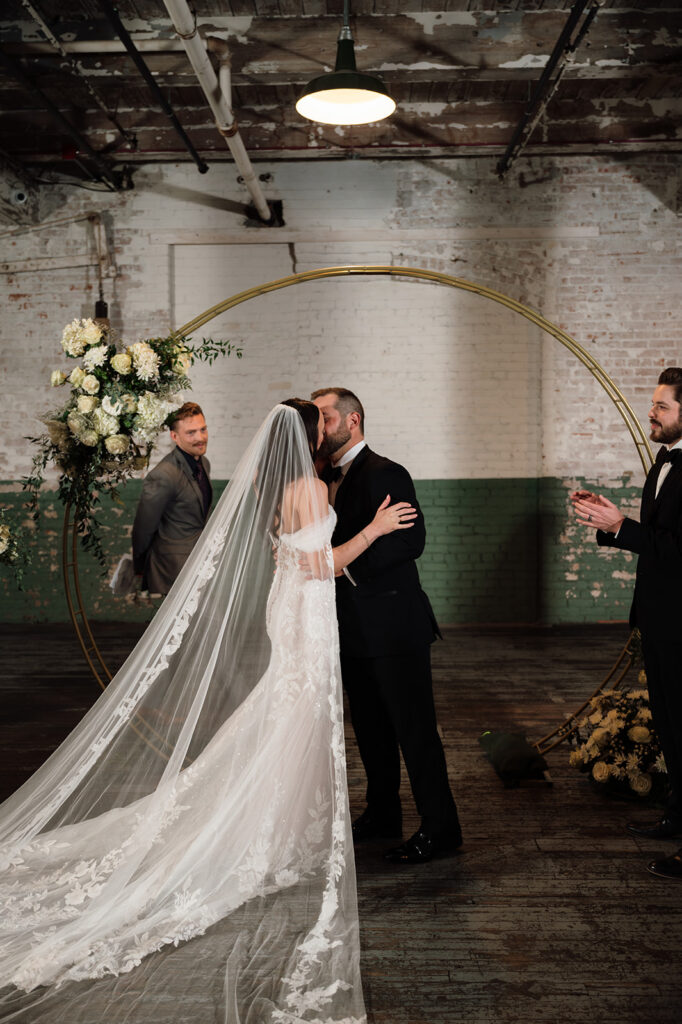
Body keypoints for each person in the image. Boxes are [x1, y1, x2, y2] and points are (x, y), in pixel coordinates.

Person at [0, 400, 413, 1024]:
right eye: (320, 423)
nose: (329, 427)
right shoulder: (306, 485)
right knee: (296, 715)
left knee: (290, 716)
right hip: (307, 610)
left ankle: (284, 822)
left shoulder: (287, 483)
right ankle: (269, 829)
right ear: (307, 435)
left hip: (296, 609)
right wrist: (373, 531)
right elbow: (315, 561)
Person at [311, 387, 462, 864]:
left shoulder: (386, 472)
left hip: (394, 626)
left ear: (352, 420)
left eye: (326, 416)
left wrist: (346, 568)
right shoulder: (321, 475)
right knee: (372, 732)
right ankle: (382, 813)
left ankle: (441, 829)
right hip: (350, 627)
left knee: (414, 731)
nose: (320, 426)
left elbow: (410, 541)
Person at [571, 366, 682, 881]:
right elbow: (656, 541)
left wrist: (625, 527)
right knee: (670, 726)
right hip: (659, 620)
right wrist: (610, 521)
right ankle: (678, 818)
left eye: (662, 406)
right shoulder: (664, 462)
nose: (651, 413)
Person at [132, 401, 212, 595]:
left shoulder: (205, 463)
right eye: (191, 433)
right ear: (174, 437)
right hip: (173, 567)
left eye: (203, 429)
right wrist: (140, 568)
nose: (200, 438)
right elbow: (143, 528)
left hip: (201, 562)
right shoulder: (163, 475)